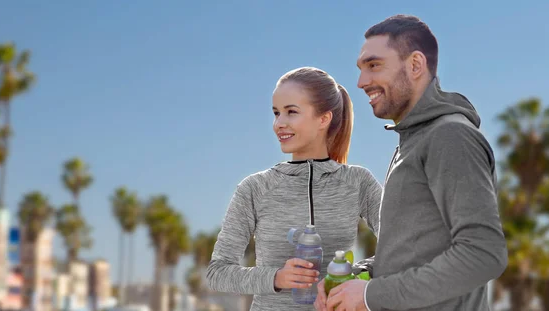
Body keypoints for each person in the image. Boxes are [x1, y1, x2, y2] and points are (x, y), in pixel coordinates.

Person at [314, 15, 508, 311]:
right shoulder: (416, 140)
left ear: (415, 65)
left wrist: (370, 295)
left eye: (374, 65)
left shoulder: (450, 136)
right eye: (361, 69)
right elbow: (416, 253)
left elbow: (483, 254)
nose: (361, 82)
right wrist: (356, 275)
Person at [206, 66, 383, 311]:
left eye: (291, 112)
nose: (279, 123)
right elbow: (218, 272)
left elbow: (402, 247)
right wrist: (276, 277)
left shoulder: (358, 182)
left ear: (324, 118)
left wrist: (355, 273)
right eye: (276, 113)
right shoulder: (255, 188)